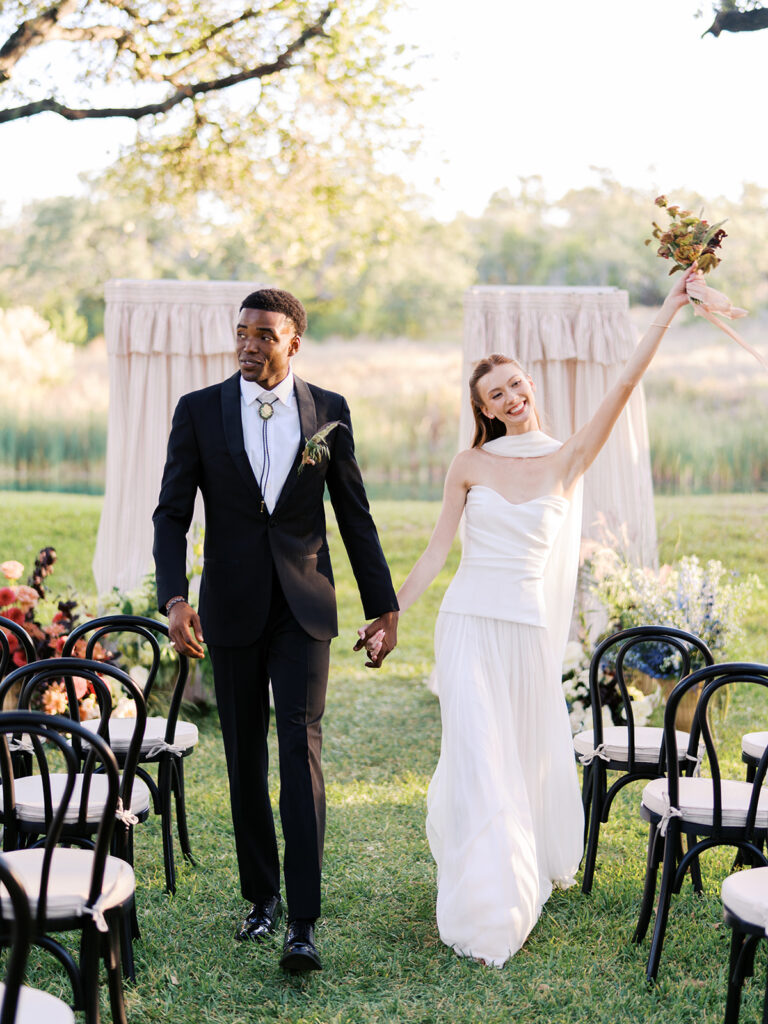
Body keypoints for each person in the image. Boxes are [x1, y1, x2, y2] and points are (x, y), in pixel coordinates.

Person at [384, 266, 698, 966]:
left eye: (517, 384)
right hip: (466, 622)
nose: (512, 397)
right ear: (487, 409)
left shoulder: (566, 458)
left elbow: (622, 385)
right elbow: (436, 550)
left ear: (529, 388)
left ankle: (511, 879)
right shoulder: (468, 463)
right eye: (497, 394)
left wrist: (671, 308)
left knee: (516, 757)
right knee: (478, 752)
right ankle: (486, 894)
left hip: (524, 630)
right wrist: (392, 612)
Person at [153, 288, 398, 973]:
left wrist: (384, 607)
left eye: (264, 334)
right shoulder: (198, 411)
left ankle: (303, 921)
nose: (249, 344)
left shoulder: (330, 413)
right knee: (244, 762)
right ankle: (260, 897)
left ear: (293, 342)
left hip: (304, 607)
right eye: (242, 332)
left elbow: (355, 515)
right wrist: (174, 598)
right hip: (227, 609)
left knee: (301, 752)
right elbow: (170, 514)